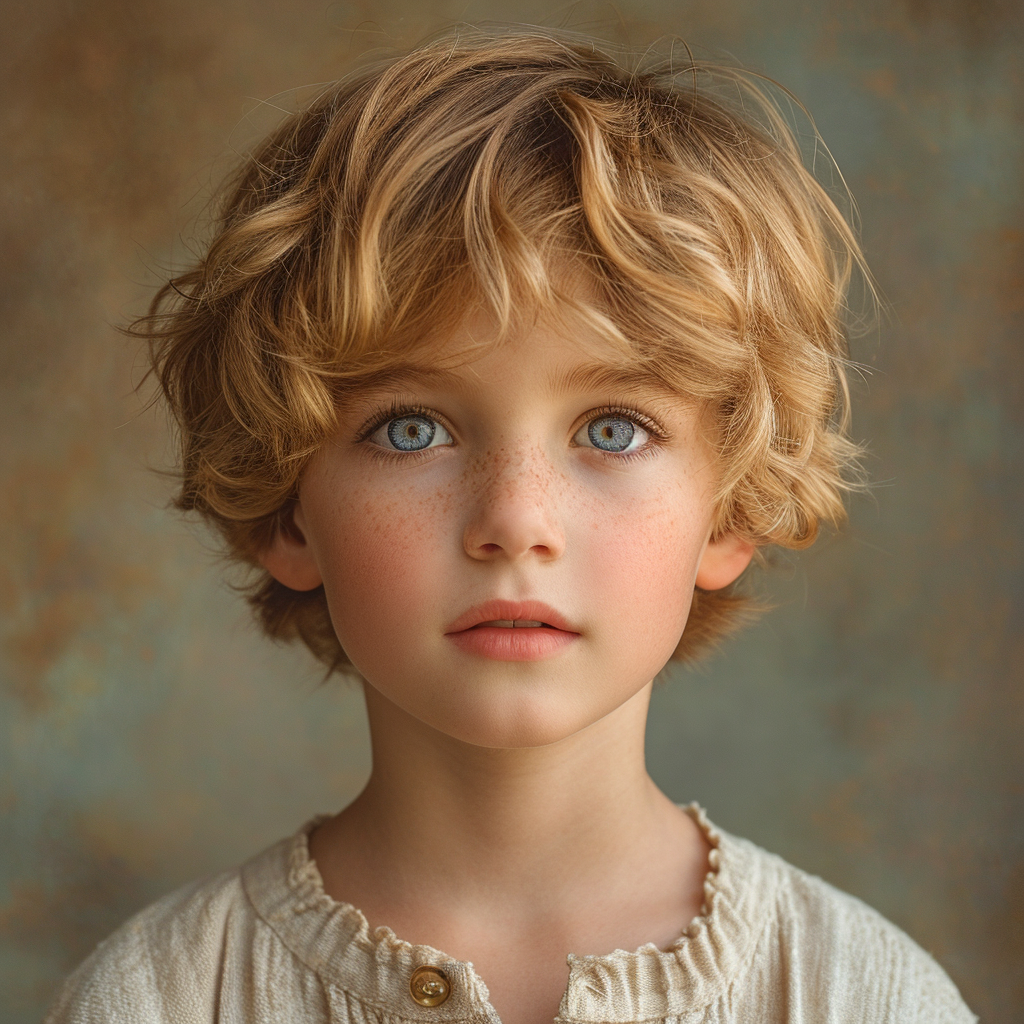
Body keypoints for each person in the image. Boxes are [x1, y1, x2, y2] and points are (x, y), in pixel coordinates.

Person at [44, 27, 975, 1024]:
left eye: (613, 429)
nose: (514, 522)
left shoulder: (861, 996)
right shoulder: (160, 999)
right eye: (412, 429)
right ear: (287, 508)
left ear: (731, 510)